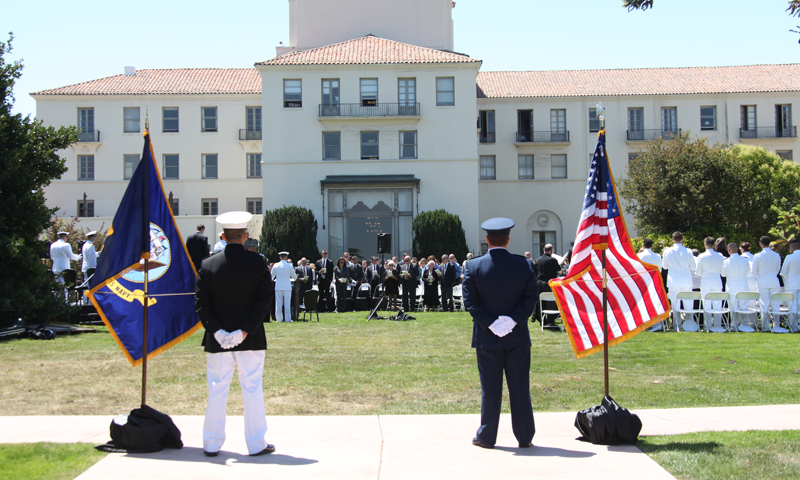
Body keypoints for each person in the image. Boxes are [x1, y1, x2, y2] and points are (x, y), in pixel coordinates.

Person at [194, 211, 275, 457]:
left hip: (218, 340)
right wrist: (244, 331)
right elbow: (263, 302)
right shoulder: (258, 262)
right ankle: (256, 443)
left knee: (217, 389)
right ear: (245, 236)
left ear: (222, 236)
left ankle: (211, 443)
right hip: (250, 338)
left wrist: (217, 331)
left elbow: (201, 303)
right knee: (251, 389)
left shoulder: (208, 265)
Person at [463, 218, 538, 450]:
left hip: (487, 338)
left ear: (487, 240)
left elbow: (470, 302)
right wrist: (512, 321)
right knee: (519, 388)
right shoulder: (524, 265)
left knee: (490, 390)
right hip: (517, 338)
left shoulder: (474, 266)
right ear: (508, 239)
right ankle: (524, 436)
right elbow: (530, 299)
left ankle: (486, 436)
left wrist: (491, 324)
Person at [662, 231, 696, 331]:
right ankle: (690, 325)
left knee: (675, 303)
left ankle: (677, 325)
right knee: (688, 304)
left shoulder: (667, 251)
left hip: (673, 281)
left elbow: (665, 266)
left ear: (673, 240)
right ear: (682, 239)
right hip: (686, 280)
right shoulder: (688, 251)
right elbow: (693, 267)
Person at [752, 236, 783, 331]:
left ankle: (765, 326)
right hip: (774, 281)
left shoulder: (757, 256)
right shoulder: (776, 255)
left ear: (761, 244)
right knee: (775, 304)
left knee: (764, 304)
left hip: (762, 282)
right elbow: (778, 270)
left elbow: (754, 271)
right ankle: (776, 326)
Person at [722, 242, 754, 331]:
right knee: (744, 308)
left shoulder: (726, 261)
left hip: (731, 288)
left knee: (733, 309)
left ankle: (734, 325)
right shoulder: (745, 260)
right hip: (743, 287)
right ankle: (744, 325)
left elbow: (723, 274)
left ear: (729, 250)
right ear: (737, 250)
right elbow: (748, 272)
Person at [695, 237, 725, 331]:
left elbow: (698, 272)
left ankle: (707, 326)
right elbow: (722, 272)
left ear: (705, 244)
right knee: (717, 305)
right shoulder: (720, 256)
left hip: (706, 282)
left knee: (706, 305)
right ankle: (717, 326)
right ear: (714, 245)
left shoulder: (702, 256)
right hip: (717, 282)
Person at [535, 244, 560, 328]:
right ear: (551, 251)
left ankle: (541, 319)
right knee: (551, 302)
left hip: (539, 283)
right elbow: (559, 271)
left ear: (543, 249)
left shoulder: (538, 259)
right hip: (549, 283)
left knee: (541, 301)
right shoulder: (553, 260)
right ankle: (550, 320)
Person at [780, 240, 800, 332]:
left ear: (792, 247)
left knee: (793, 305)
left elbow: (783, 272)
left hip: (791, 284)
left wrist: (786, 282)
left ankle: (794, 326)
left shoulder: (790, 257)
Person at [271, 251, 296, 322]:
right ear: (286, 257)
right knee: (287, 303)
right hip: (287, 286)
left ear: (280, 257)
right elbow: (294, 276)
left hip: (278, 286)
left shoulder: (276, 265)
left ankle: (279, 319)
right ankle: (288, 319)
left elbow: (271, 276)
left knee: (278, 303)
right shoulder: (289, 265)